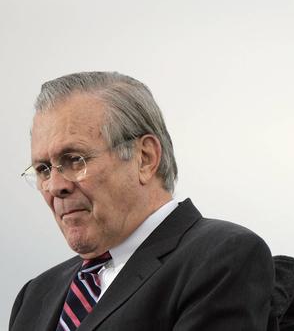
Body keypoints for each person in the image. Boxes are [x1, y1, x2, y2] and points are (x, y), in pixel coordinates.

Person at [9, 72, 275, 330]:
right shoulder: (35, 295)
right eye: (43, 169)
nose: (55, 186)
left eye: (74, 160)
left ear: (145, 158)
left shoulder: (222, 256)